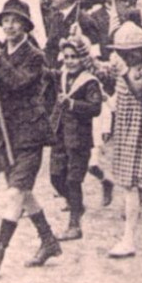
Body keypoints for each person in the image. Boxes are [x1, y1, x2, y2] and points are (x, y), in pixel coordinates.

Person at [0, 0, 61, 276]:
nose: (10, 26)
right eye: (6, 21)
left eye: (16, 21)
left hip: (30, 133)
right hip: (5, 133)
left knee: (14, 193)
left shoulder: (35, 56)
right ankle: (48, 240)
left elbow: (18, 83)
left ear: (26, 25)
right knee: (23, 193)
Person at [102, 20, 142, 260]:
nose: (124, 57)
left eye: (128, 53)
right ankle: (141, 232)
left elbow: (141, 92)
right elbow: (101, 70)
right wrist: (83, 48)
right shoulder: (124, 65)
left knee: (135, 184)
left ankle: (130, 238)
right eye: (121, 53)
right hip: (126, 127)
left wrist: (125, 73)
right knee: (133, 185)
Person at [48, 34, 104, 242]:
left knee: (73, 180)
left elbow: (95, 108)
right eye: (67, 56)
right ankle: (77, 206)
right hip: (60, 135)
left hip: (79, 139)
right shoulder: (62, 76)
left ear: (83, 59)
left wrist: (72, 104)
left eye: (74, 57)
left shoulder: (89, 82)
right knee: (55, 177)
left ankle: (74, 225)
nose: (70, 61)